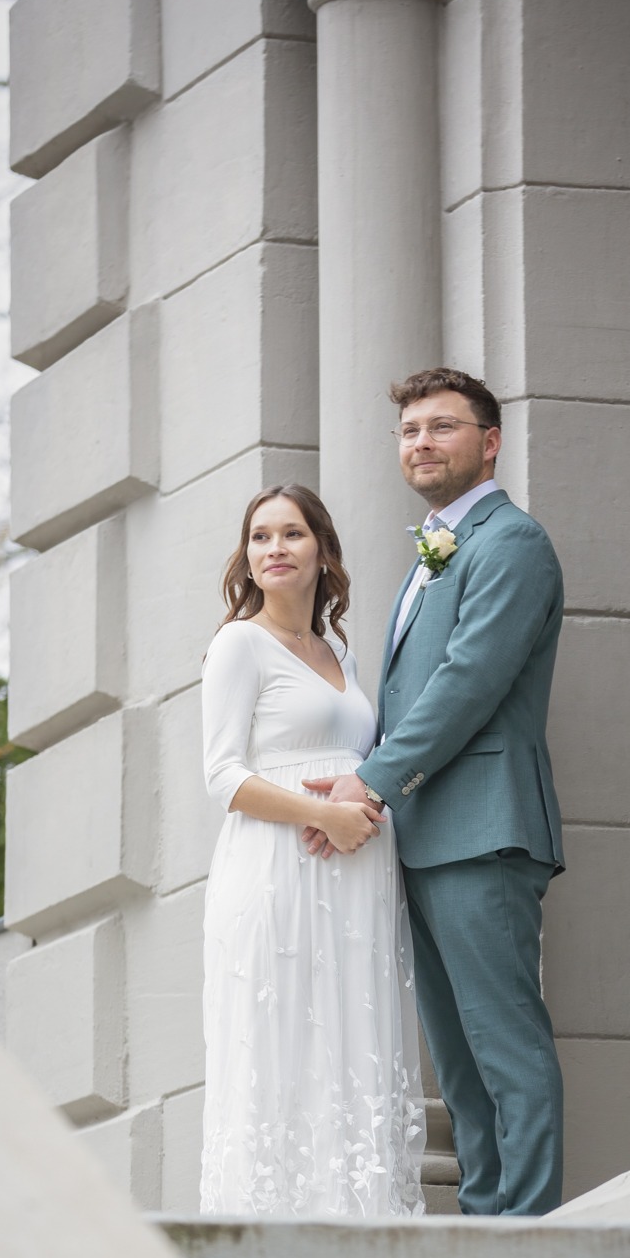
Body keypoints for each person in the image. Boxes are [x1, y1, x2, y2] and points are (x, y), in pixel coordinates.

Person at [303, 369, 566, 1217]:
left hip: (484, 829)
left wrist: (369, 783)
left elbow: (467, 683)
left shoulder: (511, 542)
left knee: (503, 1044)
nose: (422, 443)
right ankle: (489, 1219)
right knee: (456, 1059)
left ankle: (525, 1228)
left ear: (490, 443)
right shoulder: (433, 548)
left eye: (442, 428)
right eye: (410, 431)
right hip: (425, 834)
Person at [199, 484, 424, 1218]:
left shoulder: (340, 654)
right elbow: (222, 774)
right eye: (259, 537)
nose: (274, 550)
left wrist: (365, 805)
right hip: (276, 871)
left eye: (291, 534)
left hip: (354, 879)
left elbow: (366, 754)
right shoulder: (239, 644)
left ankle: (359, 1222)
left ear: (322, 550)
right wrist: (324, 813)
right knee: (282, 1045)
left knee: (347, 1049)